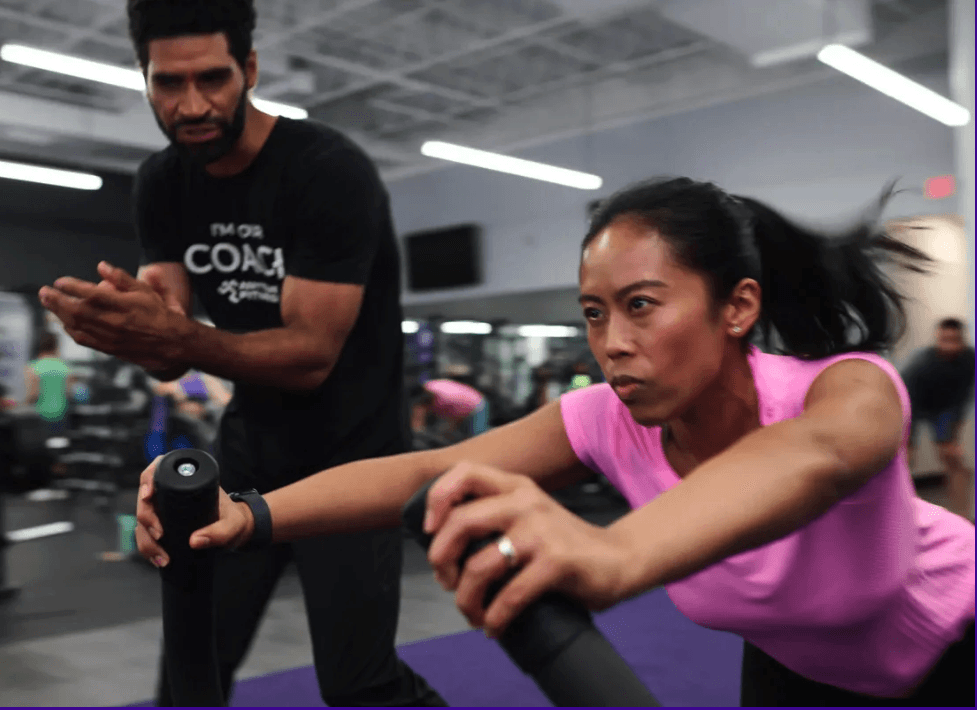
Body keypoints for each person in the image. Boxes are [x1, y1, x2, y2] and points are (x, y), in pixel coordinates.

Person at [136, 176, 975, 707]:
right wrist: (246, 514)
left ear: (739, 307)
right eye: (594, 312)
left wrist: (612, 553)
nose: (610, 341)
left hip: (956, 644)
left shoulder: (847, 389)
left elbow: (812, 459)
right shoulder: (608, 419)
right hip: (796, 676)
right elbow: (427, 469)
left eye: (641, 304)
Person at [38, 1, 445, 706]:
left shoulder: (326, 171)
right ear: (145, 80)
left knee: (359, 685)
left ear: (249, 69)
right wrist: (129, 332)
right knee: (191, 674)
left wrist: (175, 339)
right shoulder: (164, 183)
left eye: (212, 78)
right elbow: (171, 350)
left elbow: (310, 355)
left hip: (357, 455)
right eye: (168, 83)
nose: (192, 103)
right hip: (249, 451)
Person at [900, 318, 975, 520]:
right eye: (944, 340)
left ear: (961, 340)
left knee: (952, 456)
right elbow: (907, 400)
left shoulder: (969, 359)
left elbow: (962, 397)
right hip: (911, 405)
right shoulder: (922, 365)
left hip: (942, 409)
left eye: (954, 340)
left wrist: (952, 435)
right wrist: (908, 441)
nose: (949, 345)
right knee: (905, 460)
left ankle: (964, 516)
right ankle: (907, 516)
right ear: (938, 339)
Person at [24, 331, 73, 433]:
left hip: (40, 417)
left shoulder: (33, 367)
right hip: (62, 416)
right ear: (55, 345)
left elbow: (33, 395)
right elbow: (69, 392)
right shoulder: (64, 366)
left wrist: (22, 404)